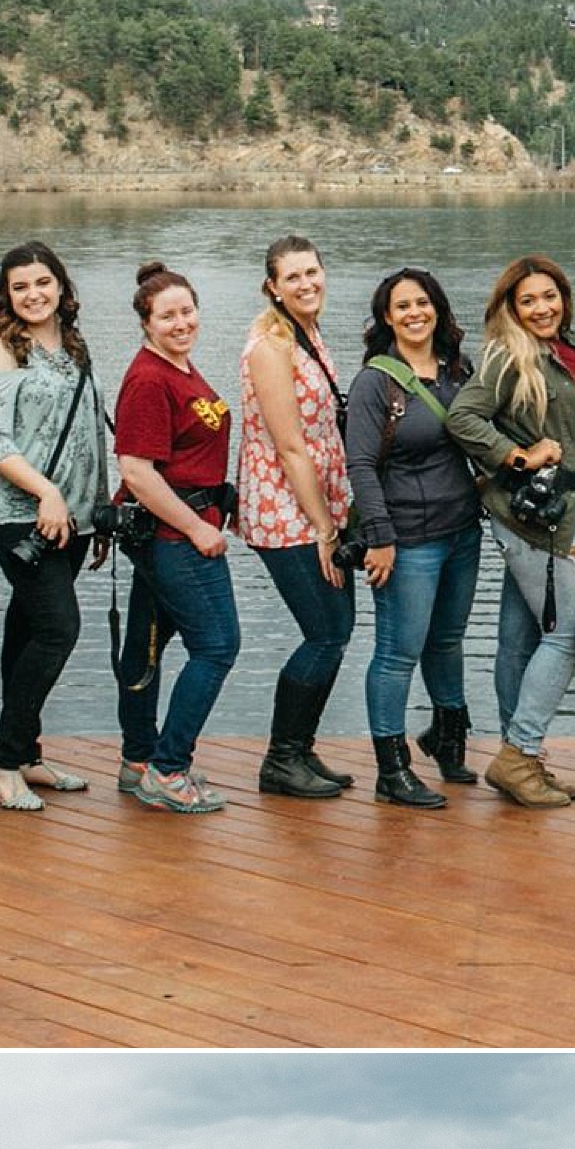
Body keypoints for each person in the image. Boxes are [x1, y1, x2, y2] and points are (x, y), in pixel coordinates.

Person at [447, 252, 575, 809]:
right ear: (510, 307)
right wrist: (518, 456)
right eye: (528, 300)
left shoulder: (571, 351)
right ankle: (520, 751)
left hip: (569, 507)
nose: (542, 308)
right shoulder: (506, 356)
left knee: (518, 639)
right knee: (569, 633)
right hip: (535, 515)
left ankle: (522, 761)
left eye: (549, 296)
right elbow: (462, 418)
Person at [0, 238, 108, 812]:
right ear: (6, 294)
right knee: (59, 627)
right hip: (17, 513)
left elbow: (91, 432)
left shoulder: (73, 346)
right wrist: (47, 492)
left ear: (61, 286)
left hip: (71, 517)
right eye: (20, 286)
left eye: (42, 283)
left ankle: (25, 752)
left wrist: (95, 511)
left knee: (29, 627)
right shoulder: (2, 352)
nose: (33, 294)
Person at [346, 266, 481, 809]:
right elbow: (359, 465)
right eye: (402, 306)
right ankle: (391, 769)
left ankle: (449, 743)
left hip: (461, 532)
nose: (414, 313)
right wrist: (380, 537)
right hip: (407, 539)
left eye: (422, 303)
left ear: (438, 308)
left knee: (446, 642)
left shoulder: (458, 371)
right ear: (387, 317)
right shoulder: (374, 382)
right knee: (398, 653)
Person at [114, 260, 240, 815]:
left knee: (145, 643)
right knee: (217, 646)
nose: (181, 322)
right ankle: (168, 768)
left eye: (187, 311)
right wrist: (197, 529)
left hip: (184, 526)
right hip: (175, 534)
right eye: (167, 316)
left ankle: (140, 757)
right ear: (146, 322)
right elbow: (137, 471)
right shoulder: (148, 378)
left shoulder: (181, 370)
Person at [236, 234, 356, 799]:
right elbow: (289, 447)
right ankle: (281, 758)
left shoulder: (307, 333)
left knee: (336, 630)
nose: (307, 284)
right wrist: (325, 529)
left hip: (318, 505)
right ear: (272, 287)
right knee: (326, 633)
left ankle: (301, 750)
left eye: (313, 272)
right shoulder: (269, 346)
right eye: (294, 278)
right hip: (285, 512)